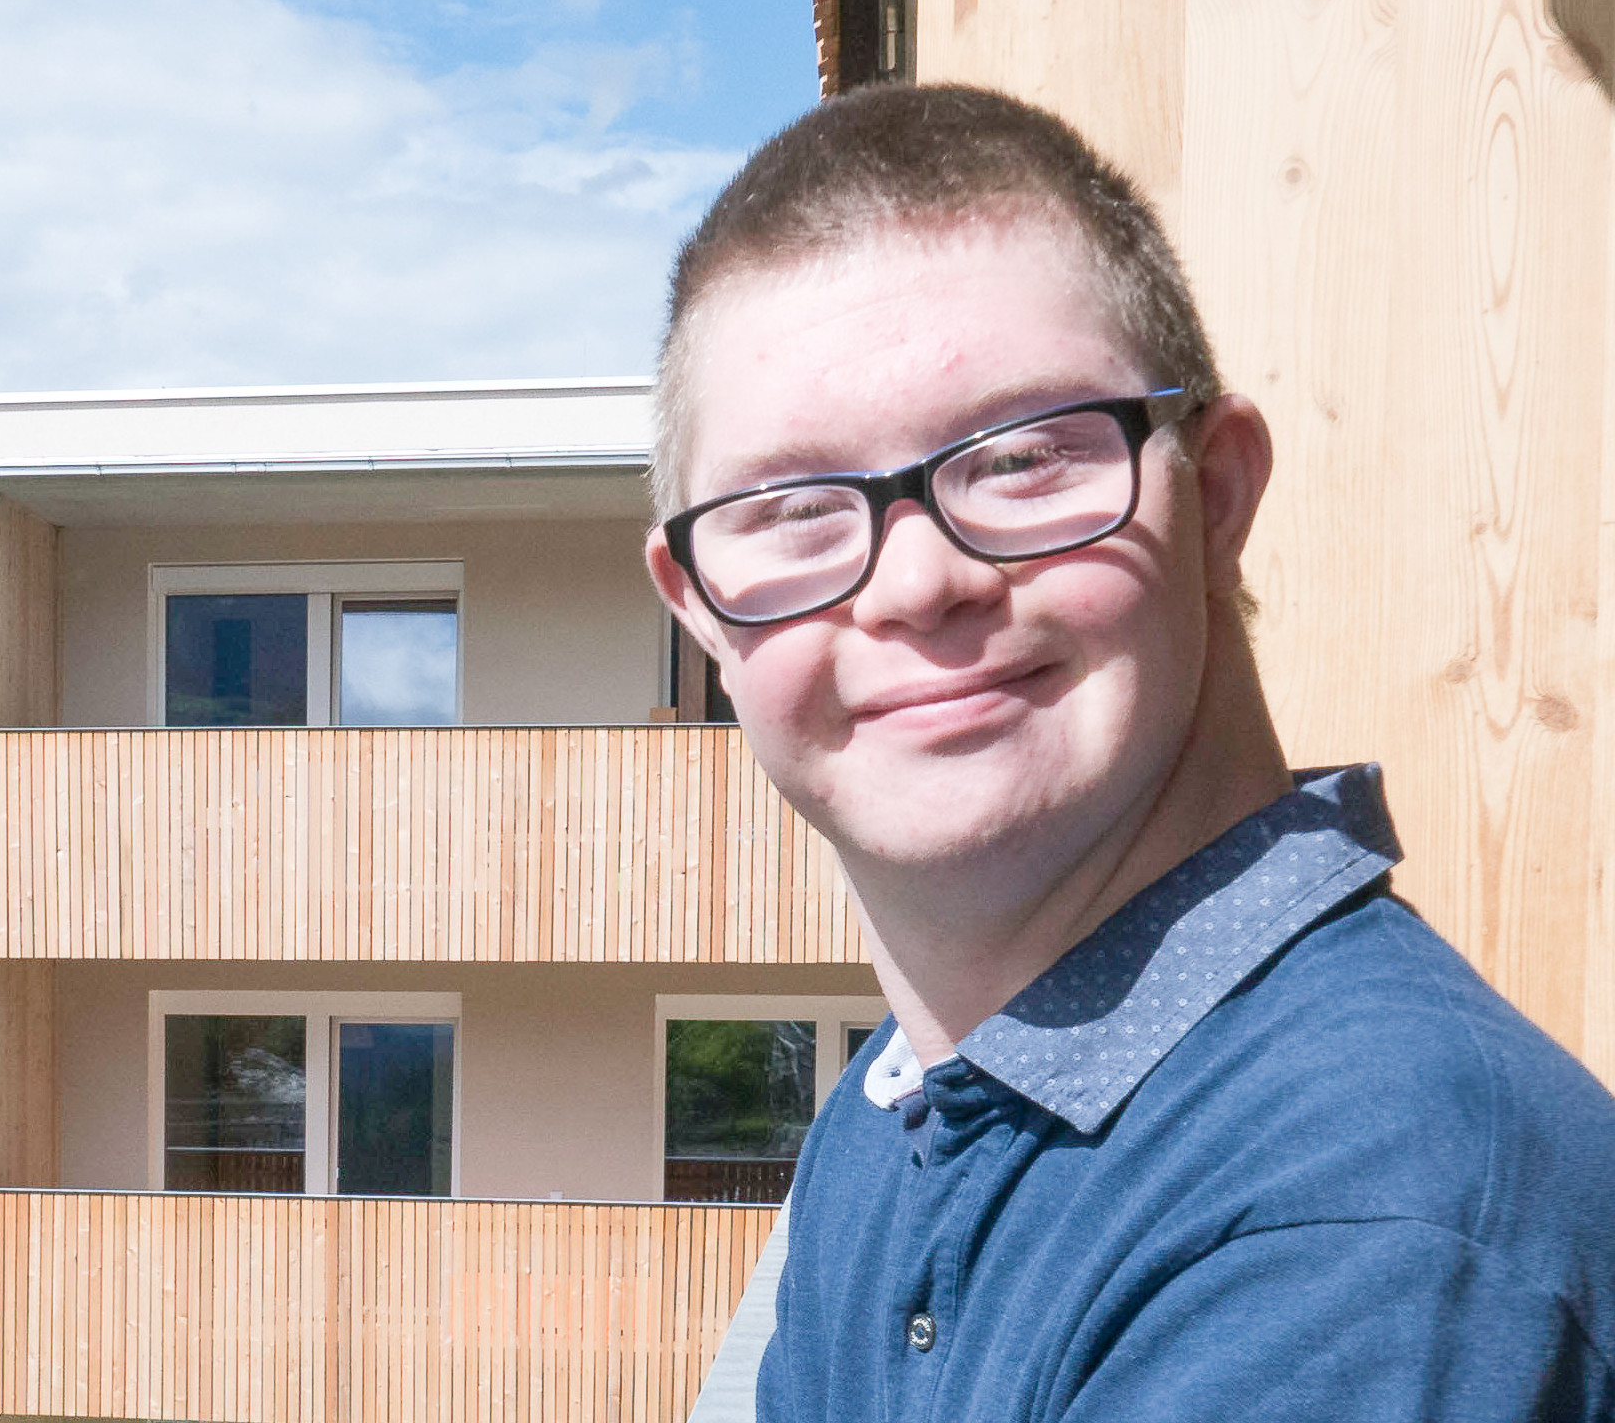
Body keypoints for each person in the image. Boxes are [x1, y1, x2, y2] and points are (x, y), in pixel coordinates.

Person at [644, 84, 1615, 1421]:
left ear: (1214, 498)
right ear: (697, 606)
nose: (917, 582)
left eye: (1025, 459)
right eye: (794, 510)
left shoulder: (1355, 1213)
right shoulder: (903, 1114)